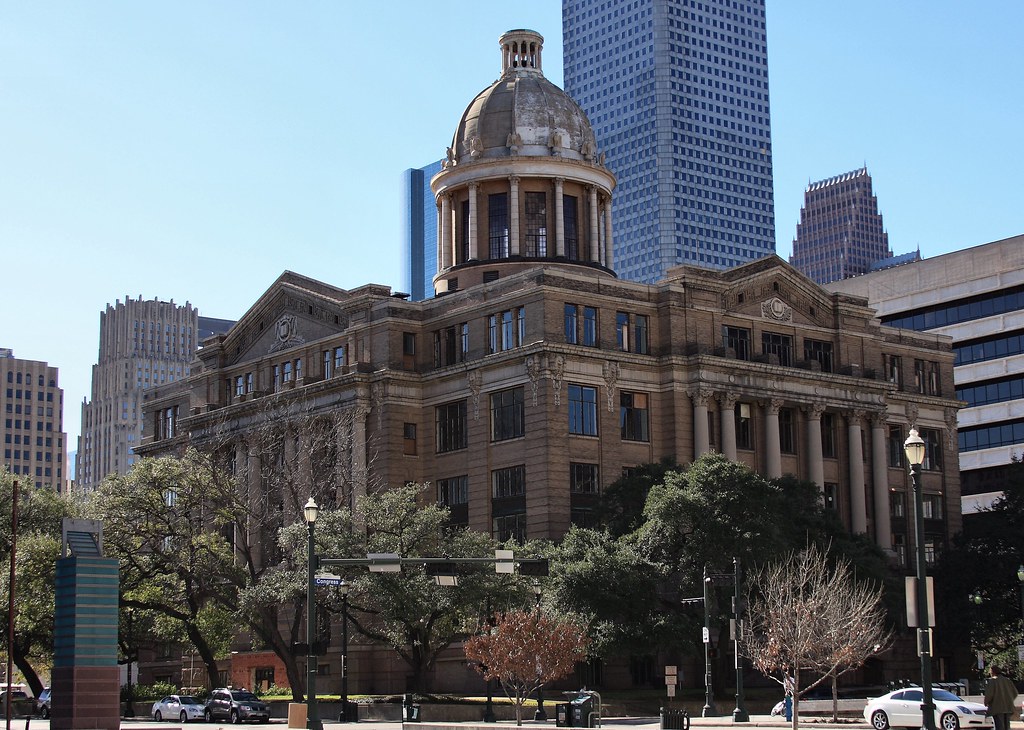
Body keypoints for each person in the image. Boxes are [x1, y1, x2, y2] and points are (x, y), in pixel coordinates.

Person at [983, 665, 1018, 730]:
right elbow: (1015, 693)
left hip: (997, 708)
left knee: (999, 726)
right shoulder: (1008, 680)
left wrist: (986, 702)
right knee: (1007, 726)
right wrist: (1009, 700)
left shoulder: (992, 681)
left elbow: (989, 694)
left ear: (993, 672)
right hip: (1008, 707)